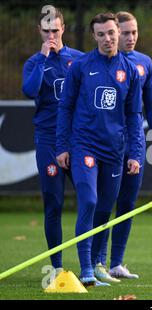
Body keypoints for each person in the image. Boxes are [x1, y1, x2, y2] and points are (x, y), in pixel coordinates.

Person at [56, 12, 143, 287]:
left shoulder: (129, 71)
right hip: (85, 146)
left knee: (105, 208)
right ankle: (85, 271)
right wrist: (62, 146)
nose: (108, 38)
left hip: (115, 151)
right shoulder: (81, 66)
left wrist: (137, 153)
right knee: (90, 201)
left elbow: (133, 115)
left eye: (111, 33)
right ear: (94, 36)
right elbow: (65, 107)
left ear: (118, 32)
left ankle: (97, 264)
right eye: (101, 34)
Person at [92, 11, 152, 283]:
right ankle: (96, 261)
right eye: (125, 33)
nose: (131, 37)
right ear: (113, 33)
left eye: (134, 32)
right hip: (107, 145)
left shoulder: (144, 63)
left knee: (127, 204)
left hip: (133, 144)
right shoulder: (102, 64)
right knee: (104, 203)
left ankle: (116, 263)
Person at [22, 7, 83, 275]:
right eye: (46, 31)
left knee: (91, 199)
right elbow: (29, 91)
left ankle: (91, 266)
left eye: (55, 30)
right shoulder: (34, 62)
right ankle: (57, 267)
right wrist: (45, 57)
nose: (51, 36)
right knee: (54, 202)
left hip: (78, 139)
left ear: (63, 29)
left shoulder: (79, 60)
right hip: (47, 139)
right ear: (40, 31)